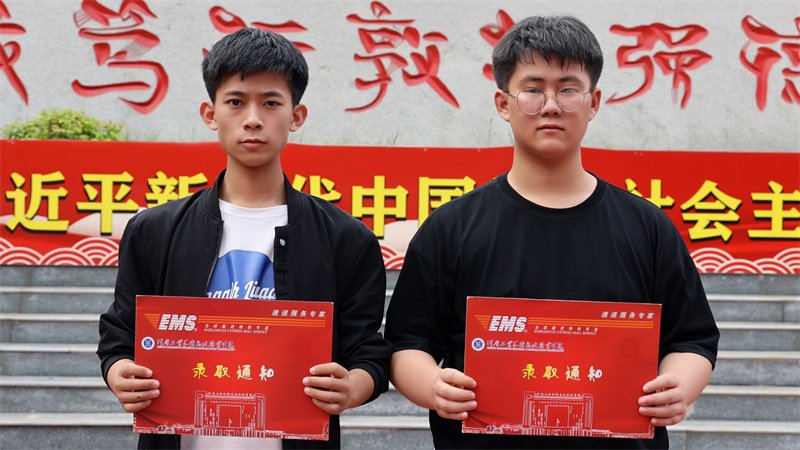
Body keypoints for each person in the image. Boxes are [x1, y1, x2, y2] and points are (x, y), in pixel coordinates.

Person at [385, 15, 719, 449]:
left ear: (593, 102)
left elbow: (692, 338)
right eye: (533, 89)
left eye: (568, 89)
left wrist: (677, 385)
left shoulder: (646, 227)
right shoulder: (451, 228)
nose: (551, 105)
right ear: (503, 103)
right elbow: (406, 342)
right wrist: (433, 386)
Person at [97, 27, 391, 450]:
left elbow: (368, 353)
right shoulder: (154, 231)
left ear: (296, 116)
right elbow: (119, 337)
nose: (253, 118)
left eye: (271, 102)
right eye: (235, 102)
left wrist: (352, 387)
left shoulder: (346, 239)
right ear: (210, 113)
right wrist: (120, 374)